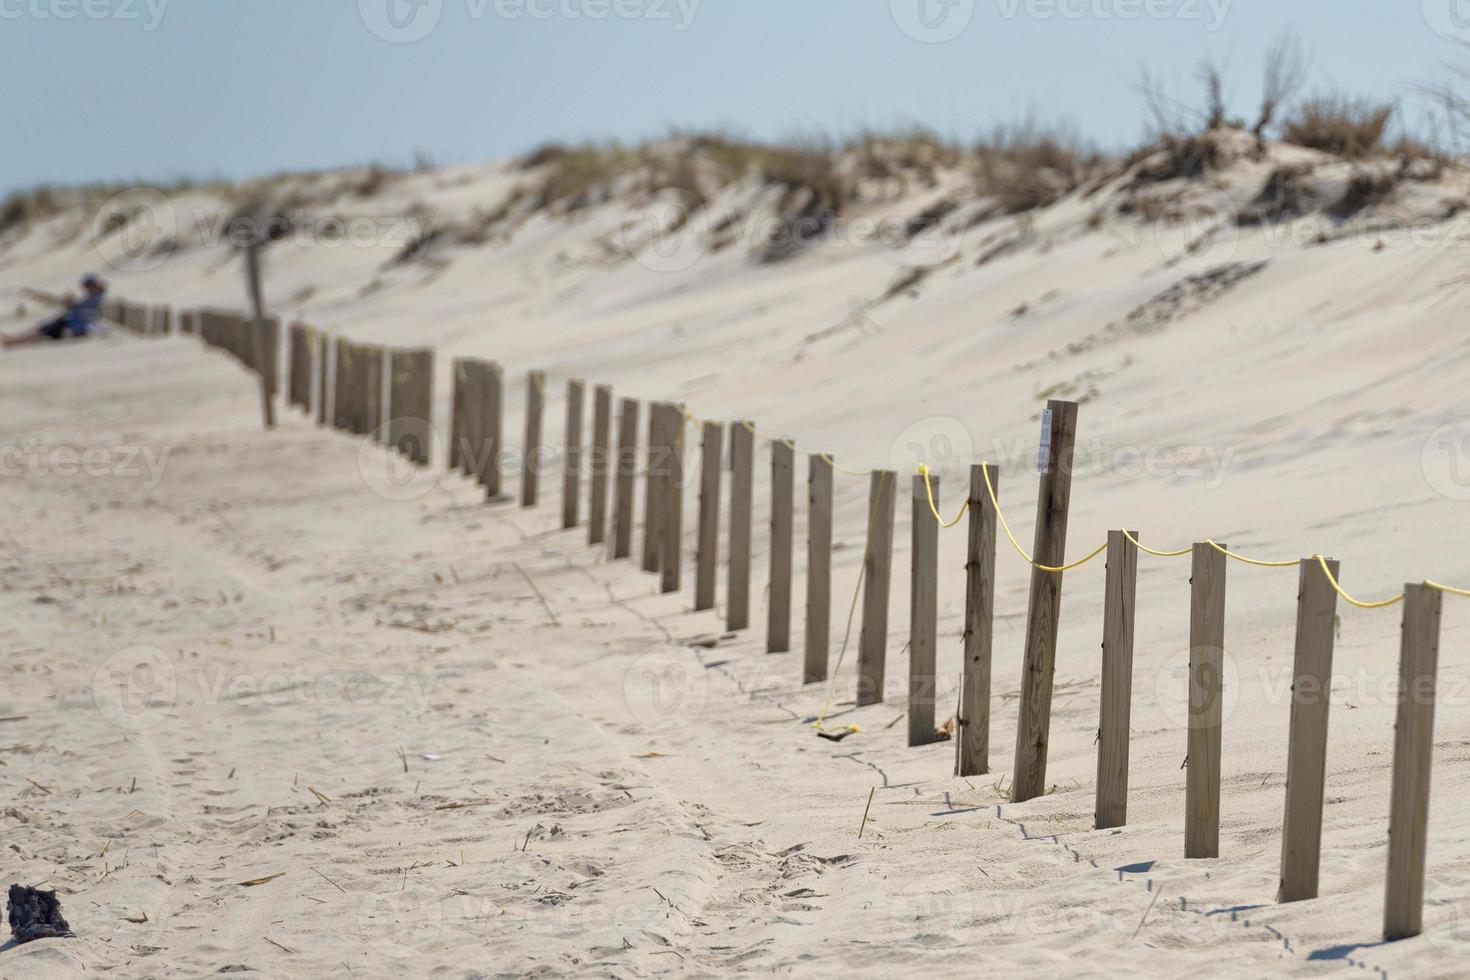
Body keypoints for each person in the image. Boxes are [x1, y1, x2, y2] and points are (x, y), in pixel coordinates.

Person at [3, 275, 108, 348]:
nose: (85, 288)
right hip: (69, 322)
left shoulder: (95, 297)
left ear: (92, 285)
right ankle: (14, 339)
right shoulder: (94, 297)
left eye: (87, 286)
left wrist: (71, 301)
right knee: (41, 330)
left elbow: (79, 309)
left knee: (40, 331)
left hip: (71, 324)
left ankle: (13, 340)